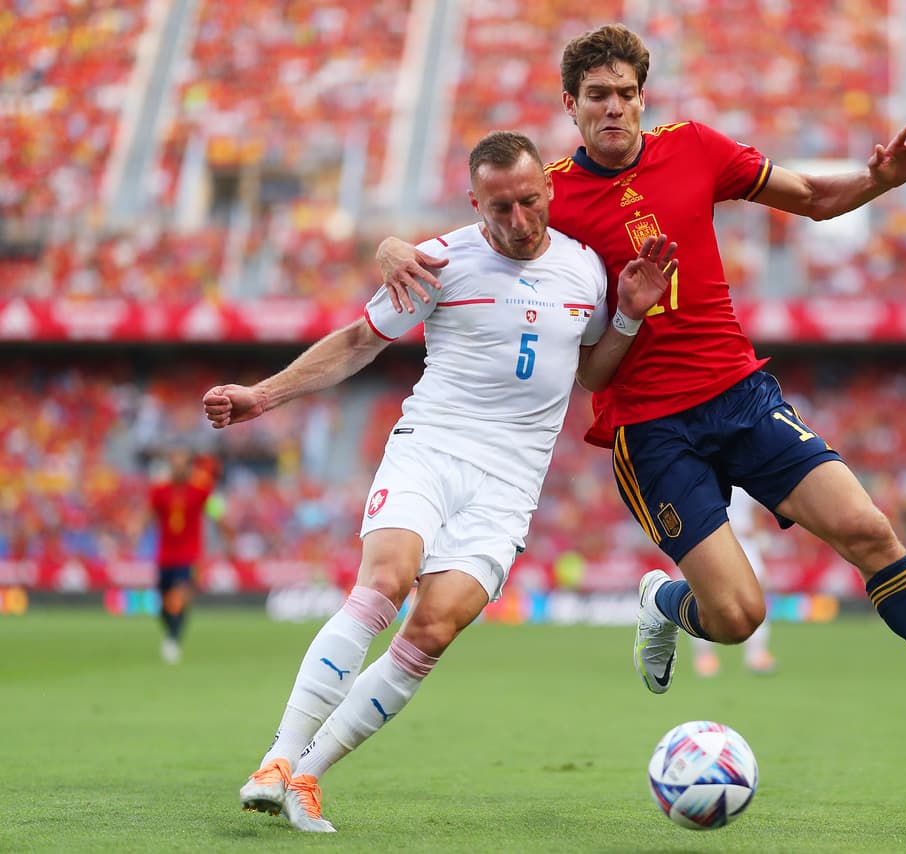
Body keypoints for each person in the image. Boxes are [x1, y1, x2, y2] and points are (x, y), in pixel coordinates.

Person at [375, 24, 906, 759]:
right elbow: (467, 241)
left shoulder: (693, 146)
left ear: (643, 97)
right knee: (737, 618)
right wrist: (390, 247)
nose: (613, 109)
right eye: (596, 96)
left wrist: (879, 179)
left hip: (741, 395)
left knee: (868, 531)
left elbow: (814, 198)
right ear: (571, 105)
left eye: (625, 94)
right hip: (652, 429)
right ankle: (663, 600)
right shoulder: (551, 200)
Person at [205, 130, 676, 833]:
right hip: (432, 448)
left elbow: (592, 372)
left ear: (546, 190)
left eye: (526, 202)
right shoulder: (441, 260)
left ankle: (308, 776)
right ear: (473, 203)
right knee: (385, 582)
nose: (516, 222)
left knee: (430, 631)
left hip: (510, 484)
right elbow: (360, 340)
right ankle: (275, 758)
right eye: (498, 209)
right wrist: (264, 396)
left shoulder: (586, 270)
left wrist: (632, 317)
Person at [147, 447, 226, 664]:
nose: (179, 469)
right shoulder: (159, 491)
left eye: (183, 465)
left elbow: (215, 511)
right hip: (165, 555)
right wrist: (135, 531)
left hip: (190, 555)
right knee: (164, 602)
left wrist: (225, 531)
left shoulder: (200, 489)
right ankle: (170, 631)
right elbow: (149, 514)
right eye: (175, 464)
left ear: (188, 467)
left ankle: (173, 639)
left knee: (180, 596)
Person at [691, 486, 775, 677]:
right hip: (712, 540)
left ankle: (756, 654)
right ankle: (704, 656)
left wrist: (761, 537)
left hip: (746, 543)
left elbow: (756, 510)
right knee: (704, 595)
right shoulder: (704, 474)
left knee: (759, 593)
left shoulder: (743, 470)